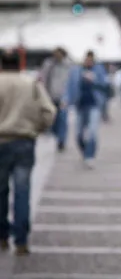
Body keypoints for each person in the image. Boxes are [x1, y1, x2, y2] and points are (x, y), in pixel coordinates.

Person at [0, 51, 56, 255]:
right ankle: (21, 240)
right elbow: (49, 111)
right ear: (19, 63)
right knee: (22, 191)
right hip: (24, 141)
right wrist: (37, 129)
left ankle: (2, 236)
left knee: (1, 192)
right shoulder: (31, 84)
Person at [63, 51, 109, 169]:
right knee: (78, 134)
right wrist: (66, 99)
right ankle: (84, 151)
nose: (88, 62)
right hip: (80, 105)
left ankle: (90, 155)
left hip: (94, 104)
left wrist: (94, 80)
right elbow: (69, 86)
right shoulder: (76, 70)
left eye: (91, 60)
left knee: (92, 132)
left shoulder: (99, 70)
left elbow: (106, 85)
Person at [39, 47, 72, 152]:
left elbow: (71, 81)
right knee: (52, 119)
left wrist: (69, 96)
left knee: (62, 119)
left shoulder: (68, 65)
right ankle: (53, 135)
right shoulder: (48, 64)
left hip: (63, 96)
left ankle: (61, 141)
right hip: (50, 95)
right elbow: (43, 78)